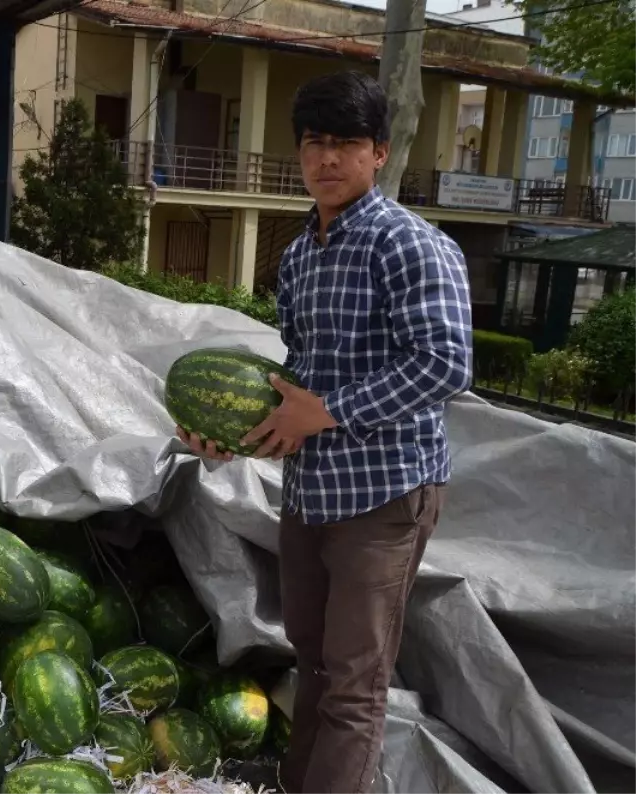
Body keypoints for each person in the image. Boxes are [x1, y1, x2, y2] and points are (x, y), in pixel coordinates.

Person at [177, 70, 473, 794]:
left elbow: (447, 363)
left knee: (352, 681)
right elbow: (296, 378)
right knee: (310, 656)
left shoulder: (409, 244)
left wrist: (331, 411)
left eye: (345, 143)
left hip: (385, 494)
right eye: (314, 143)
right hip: (312, 491)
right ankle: (295, 780)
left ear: (379, 152)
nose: (327, 159)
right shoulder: (301, 253)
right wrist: (232, 435)